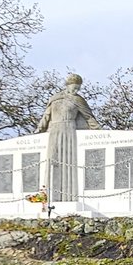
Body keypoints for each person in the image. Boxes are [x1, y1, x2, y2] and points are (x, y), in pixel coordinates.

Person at [37, 73, 100, 201]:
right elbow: (46, 116)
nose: (76, 90)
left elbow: (88, 117)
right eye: (74, 87)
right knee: (52, 159)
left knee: (69, 161)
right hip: (54, 130)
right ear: (68, 85)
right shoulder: (55, 99)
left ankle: (68, 195)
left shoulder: (78, 100)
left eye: (78, 88)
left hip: (69, 130)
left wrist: (97, 130)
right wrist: (39, 129)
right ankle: (49, 195)